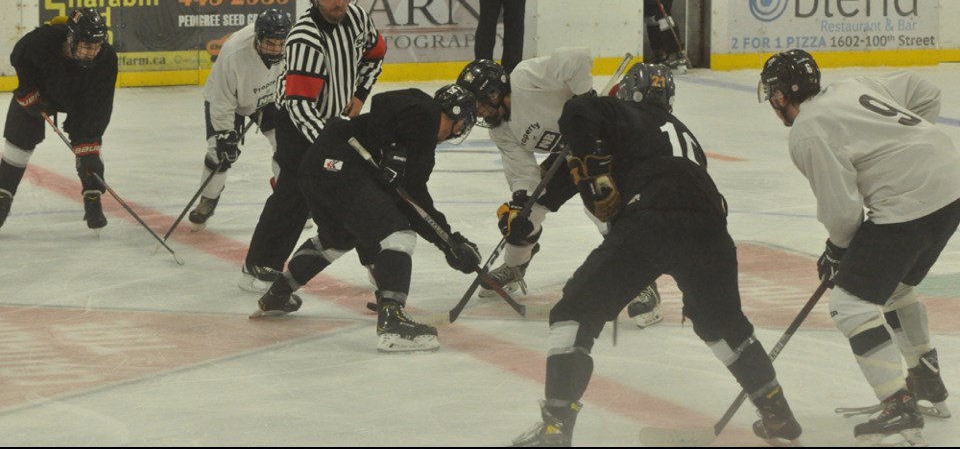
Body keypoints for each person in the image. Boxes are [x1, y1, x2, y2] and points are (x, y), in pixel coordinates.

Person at [512, 63, 802, 446]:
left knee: (574, 312)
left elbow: (578, 113)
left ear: (628, 92)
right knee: (722, 324)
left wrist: (586, 169)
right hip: (711, 228)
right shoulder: (681, 132)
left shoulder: (620, 112)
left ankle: (555, 427)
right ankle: (777, 412)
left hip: (651, 220)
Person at [758, 50, 960, 445]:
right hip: (951, 184)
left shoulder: (808, 130)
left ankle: (898, 404)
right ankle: (925, 377)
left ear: (782, 96)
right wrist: (908, 149)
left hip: (910, 203)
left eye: (773, 94)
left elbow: (843, 210)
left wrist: (838, 251)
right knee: (894, 285)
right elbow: (926, 92)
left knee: (850, 303)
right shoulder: (854, 87)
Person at [253, 84, 483, 353]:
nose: (459, 130)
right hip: (341, 163)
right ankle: (393, 324)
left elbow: (414, 202)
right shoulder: (425, 114)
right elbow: (386, 101)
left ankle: (278, 294)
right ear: (456, 117)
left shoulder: (422, 146)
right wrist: (393, 145)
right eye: (462, 123)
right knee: (398, 235)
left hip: (317, 166)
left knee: (336, 238)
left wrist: (450, 243)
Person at [456, 52, 662, 329]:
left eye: (479, 103)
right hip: (569, 153)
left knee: (603, 210)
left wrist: (584, 99)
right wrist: (520, 202)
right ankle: (515, 267)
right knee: (527, 214)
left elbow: (578, 60)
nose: (478, 112)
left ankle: (642, 279)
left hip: (601, 143)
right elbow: (522, 170)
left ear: (493, 92)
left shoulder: (525, 78)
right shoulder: (501, 129)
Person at [240, 0, 386, 292]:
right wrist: (329, 142)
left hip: (335, 120)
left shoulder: (357, 18)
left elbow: (376, 54)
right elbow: (297, 104)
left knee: (355, 188)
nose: (339, 2)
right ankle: (259, 265)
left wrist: (361, 94)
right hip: (298, 125)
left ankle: (377, 261)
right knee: (295, 192)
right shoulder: (305, 38)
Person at [0, 9, 118, 232]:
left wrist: (87, 146)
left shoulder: (107, 59)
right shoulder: (42, 41)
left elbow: (97, 108)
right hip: (41, 91)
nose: (92, 52)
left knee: (89, 140)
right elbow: (19, 58)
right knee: (20, 137)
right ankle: (3, 193)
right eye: (86, 45)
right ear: (71, 39)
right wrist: (28, 91)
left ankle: (92, 196)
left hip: (80, 100)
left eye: (96, 45)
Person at [187, 9, 293, 229]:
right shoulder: (234, 53)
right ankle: (209, 198)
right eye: (270, 43)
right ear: (258, 38)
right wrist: (226, 134)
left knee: (287, 148)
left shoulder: (293, 46)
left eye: (280, 44)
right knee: (219, 153)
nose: (275, 49)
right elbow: (221, 99)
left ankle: (288, 201)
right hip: (230, 102)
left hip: (269, 98)